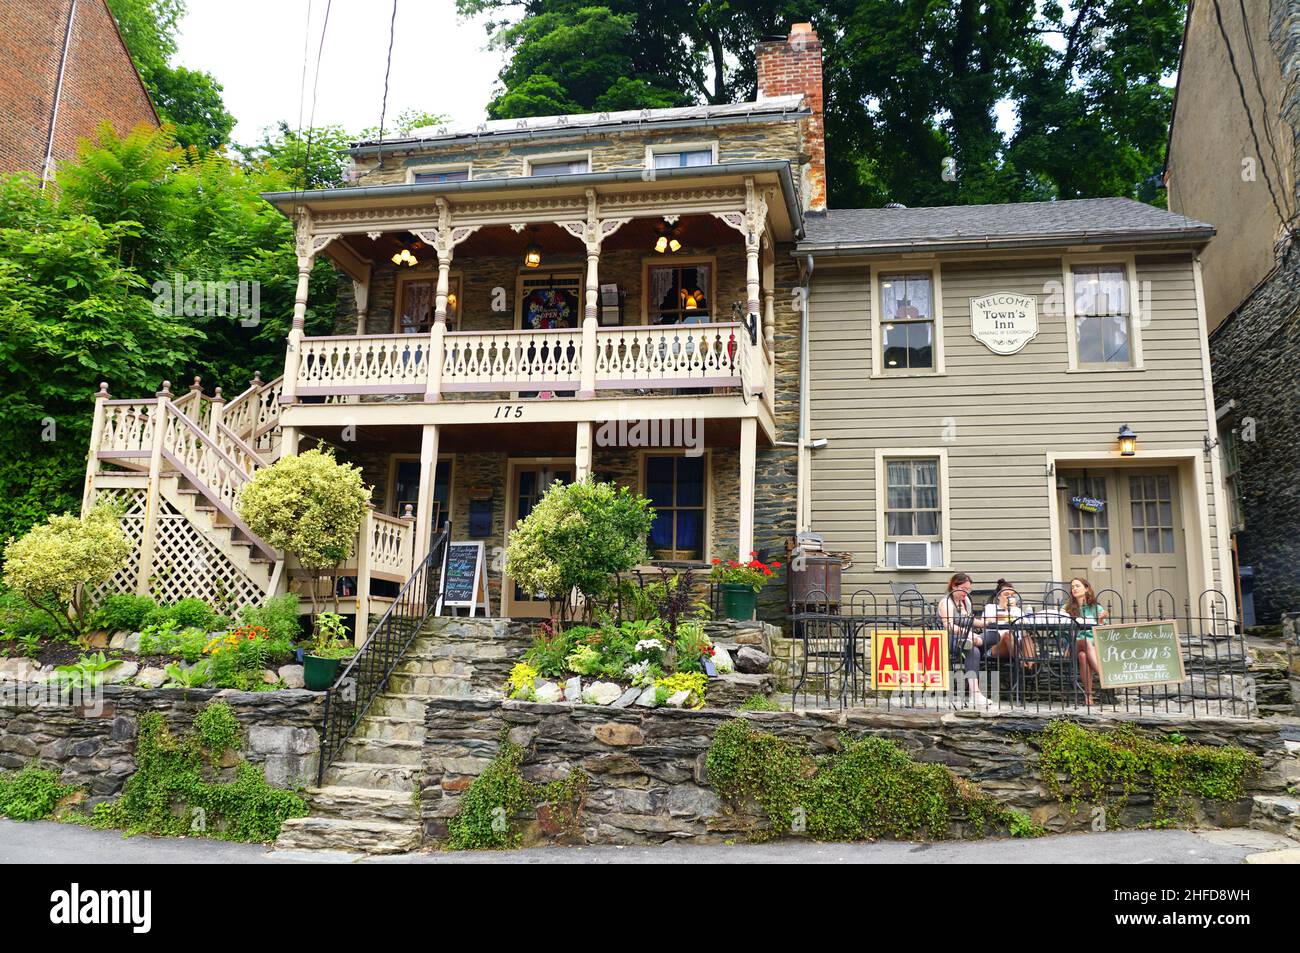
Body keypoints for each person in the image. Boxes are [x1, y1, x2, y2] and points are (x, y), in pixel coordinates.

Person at [937, 572, 991, 707]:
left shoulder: (965, 601)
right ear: (954, 586)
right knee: (973, 651)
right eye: (964, 589)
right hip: (950, 639)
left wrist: (986, 623)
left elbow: (970, 622)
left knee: (993, 635)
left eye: (969, 589)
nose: (966, 592)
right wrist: (968, 635)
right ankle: (975, 694)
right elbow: (948, 625)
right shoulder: (947, 602)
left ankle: (977, 640)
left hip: (966, 637)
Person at [1065, 577, 1109, 706]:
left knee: (1083, 656)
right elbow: (1059, 631)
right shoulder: (1066, 608)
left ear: (1086, 588)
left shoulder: (1096, 608)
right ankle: (1103, 676)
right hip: (1073, 645)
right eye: (1072, 587)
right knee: (1084, 641)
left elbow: (1103, 633)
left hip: (1092, 648)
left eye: (1077, 586)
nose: (1074, 589)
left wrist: (1100, 622)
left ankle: (1088, 696)